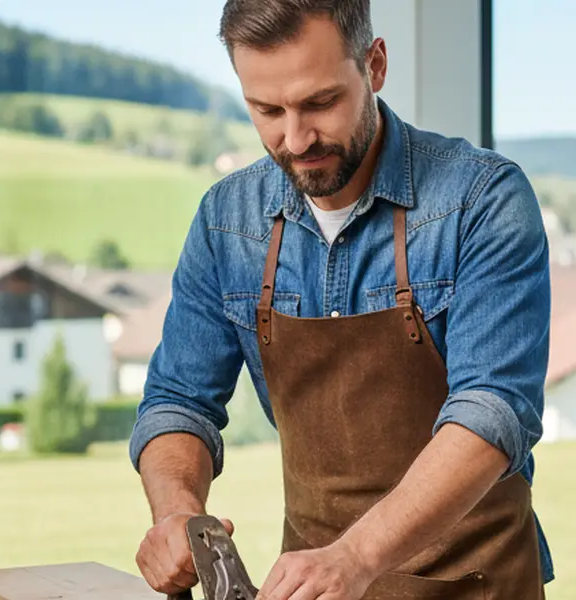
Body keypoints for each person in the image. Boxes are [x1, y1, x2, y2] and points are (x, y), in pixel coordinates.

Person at [129, 1, 553, 599]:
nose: (296, 139)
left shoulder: (482, 199)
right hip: (312, 588)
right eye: (267, 110)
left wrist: (355, 557)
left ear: (375, 65)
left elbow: (493, 412)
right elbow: (178, 402)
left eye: (319, 103)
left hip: (477, 582)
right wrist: (174, 512)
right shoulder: (228, 221)